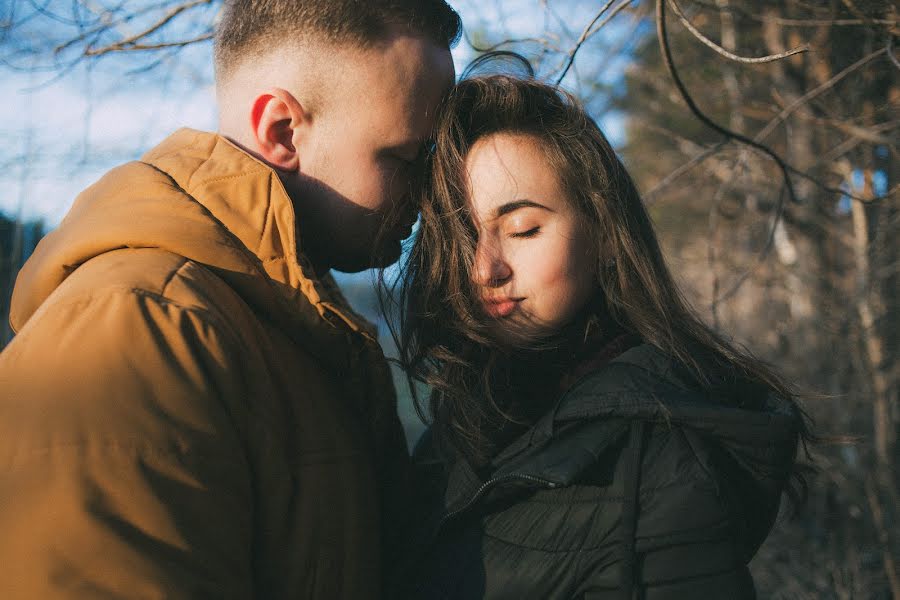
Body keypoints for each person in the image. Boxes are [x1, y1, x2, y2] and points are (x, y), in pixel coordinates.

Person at [0, 1, 458, 598]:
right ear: (282, 131)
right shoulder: (140, 329)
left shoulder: (284, 324)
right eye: (403, 157)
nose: (427, 196)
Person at [390, 71, 809, 599]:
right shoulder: (463, 423)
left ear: (602, 231)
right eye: (463, 235)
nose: (482, 269)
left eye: (522, 230)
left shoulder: (663, 454)